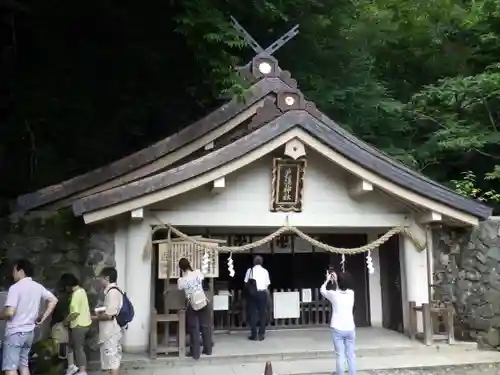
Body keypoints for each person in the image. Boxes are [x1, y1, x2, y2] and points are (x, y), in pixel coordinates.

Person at [0, 259, 58, 375]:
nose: (13, 274)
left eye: (14, 271)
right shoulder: (38, 287)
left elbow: (9, 312)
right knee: (23, 365)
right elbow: (53, 300)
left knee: (10, 368)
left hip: (15, 332)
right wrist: (43, 318)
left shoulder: (15, 288)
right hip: (29, 333)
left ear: (21, 271)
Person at [320, 270, 356, 375]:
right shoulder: (351, 293)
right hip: (350, 327)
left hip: (338, 328)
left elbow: (322, 290)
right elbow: (342, 288)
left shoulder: (333, 295)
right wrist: (337, 280)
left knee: (340, 355)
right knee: (351, 355)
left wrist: (327, 280)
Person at [177, 258, 212, 360]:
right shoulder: (198, 273)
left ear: (181, 268)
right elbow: (202, 278)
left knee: (194, 328)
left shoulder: (181, 280)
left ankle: (195, 353)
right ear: (189, 264)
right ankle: (208, 349)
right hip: (203, 301)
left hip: (191, 304)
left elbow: (180, 287)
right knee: (205, 326)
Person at [59, 273, 92, 375]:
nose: (65, 289)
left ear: (68, 285)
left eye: (65, 286)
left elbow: (75, 313)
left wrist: (65, 322)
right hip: (85, 324)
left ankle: (82, 372)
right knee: (70, 345)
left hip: (79, 325)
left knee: (78, 348)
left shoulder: (76, 294)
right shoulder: (82, 291)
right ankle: (71, 366)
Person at [93, 267, 123, 375]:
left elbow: (109, 315)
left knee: (113, 361)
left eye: (101, 278)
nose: (100, 281)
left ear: (107, 278)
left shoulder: (112, 292)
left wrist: (94, 317)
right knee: (112, 361)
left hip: (111, 332)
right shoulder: (112, 291)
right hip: (111, 331)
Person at [244, 255, 270, 341]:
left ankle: (254, 334)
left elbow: (246, 283)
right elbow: (267, 285)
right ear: (261, 262)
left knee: (252, 314)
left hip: (252, 294)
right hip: (262, 293)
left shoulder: (250, 271)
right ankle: (261, 334)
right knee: (262, 314)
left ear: (254, 262)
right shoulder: (265, 271)